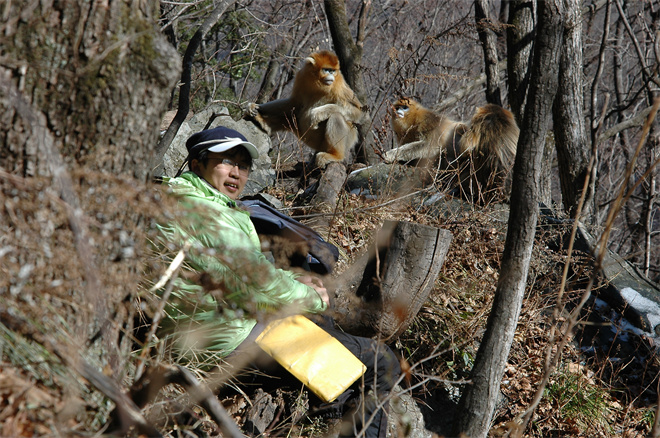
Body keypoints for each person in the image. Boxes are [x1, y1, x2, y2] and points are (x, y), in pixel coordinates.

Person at [156, 126, 401, 437]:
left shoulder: (195, 202)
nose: (236, 173)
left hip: (223, 328)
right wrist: (311, 296)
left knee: (336, 355)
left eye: (243, 165)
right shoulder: (200, 210)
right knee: (380, 361)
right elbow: (253, 279)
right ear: (197, 164)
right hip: (231, 338)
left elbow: (241, 274)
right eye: (226, 162)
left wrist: (294, 280)